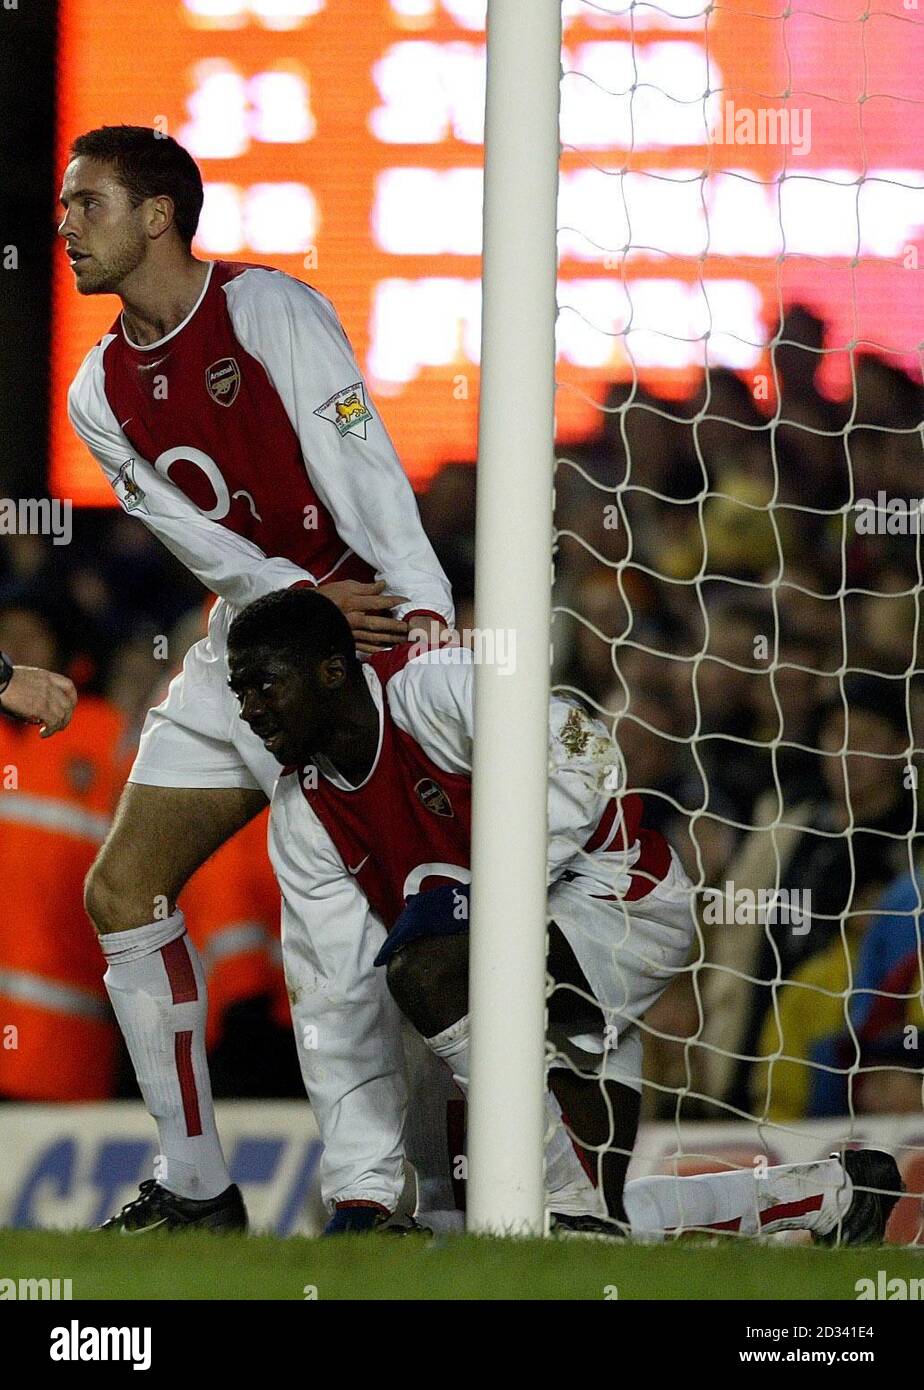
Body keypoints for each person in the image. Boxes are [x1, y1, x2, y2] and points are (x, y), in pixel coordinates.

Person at [224, 587, 903, 1244]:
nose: (250, 710)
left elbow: (586, 753)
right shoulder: (303, 814)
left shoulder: (433, 685)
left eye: (265, 686)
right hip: (523, 963)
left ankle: (567, 1198)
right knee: (509, 1223)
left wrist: (488, 898)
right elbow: (334, 1003)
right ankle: (832, 1194)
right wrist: (360, 1190)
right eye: (240, 692)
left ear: (332, 671)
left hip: (618, 902)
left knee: (426, 960)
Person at [59, 124, 454, 1233]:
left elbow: (366, 470)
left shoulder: (273, 311)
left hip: (361, 645)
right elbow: (200, 544)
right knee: (121, 889)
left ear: (157, 216)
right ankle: (197, 1185)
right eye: (61, 209)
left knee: (369, 937)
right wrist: (290, 598)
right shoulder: (97, 390)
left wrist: (420, 623)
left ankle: (394, 1191)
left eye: (87, 205)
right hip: (256, 638)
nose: (65, 230)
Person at [0, 647, 76, 735]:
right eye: (10, 636)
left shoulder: (86, 718)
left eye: (33, 638)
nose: (21, 647)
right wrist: (5, 679)